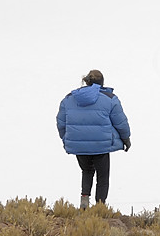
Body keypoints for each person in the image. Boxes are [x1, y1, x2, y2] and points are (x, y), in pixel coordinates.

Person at [56, 69, 131, 209]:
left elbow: (61, 123)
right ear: (102, 83)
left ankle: (84, 203)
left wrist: (67, 139)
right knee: (102, 177)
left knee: (87, 171)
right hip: (101, 145)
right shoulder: (110, 98)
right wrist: (126, 139)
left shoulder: (68, 99)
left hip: (79, 146)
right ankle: (100, 207)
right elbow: (120, 122)